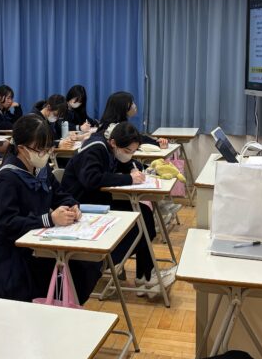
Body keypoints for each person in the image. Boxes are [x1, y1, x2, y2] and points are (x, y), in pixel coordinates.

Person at [0, 114, 100, 315]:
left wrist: (72, 205)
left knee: (86, 266)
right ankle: (54, 313)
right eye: (40, 149)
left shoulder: (41, 169)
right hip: (13, 252)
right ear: (22, 148)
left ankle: (64, 311)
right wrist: (49, 219)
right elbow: (7, 222)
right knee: (64, 274)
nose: (45, 154)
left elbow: (59, 194)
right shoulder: (7, 178)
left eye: (48, 148)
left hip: (37, 241)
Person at [61, 122, 177, 296]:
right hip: (80, 205)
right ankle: (106, 263)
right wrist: (129, 179)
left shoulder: (111, 148)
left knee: (144, 214)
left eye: (133, 151)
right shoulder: (95, 149)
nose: (129, 154)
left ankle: (145, 275)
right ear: (114, 143)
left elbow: (124, 163)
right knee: (138, 221)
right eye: (128, 151)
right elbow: (92, 179)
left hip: (98, 199)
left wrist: (137, 168)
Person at [98, 91, 169, 148]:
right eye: (131, 103)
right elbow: (135, 139)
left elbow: (137, 136)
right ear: (122, 107)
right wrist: (157, 143)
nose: (134, 106)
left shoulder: (112, 123)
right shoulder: (113, 127)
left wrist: (156, 141)